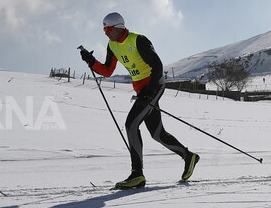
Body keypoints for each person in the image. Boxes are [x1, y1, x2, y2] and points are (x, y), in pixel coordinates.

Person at [81, 12, 199, 188]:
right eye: (104, 29)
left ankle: (137, 174)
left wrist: (149, 90)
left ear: (119, 27)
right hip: (141, 89)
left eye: (108, 29)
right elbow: (107, 71)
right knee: (157, 134)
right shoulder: (112, 45)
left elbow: (157, 66)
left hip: (153, 85)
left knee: (131, 124)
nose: (106, 32)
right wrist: (91, 61)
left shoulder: (138, 40)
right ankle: (189, 156)